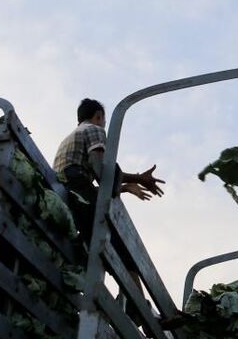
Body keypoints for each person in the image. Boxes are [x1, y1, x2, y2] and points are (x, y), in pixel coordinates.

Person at [54, 98, 165, 242]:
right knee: (106, 224)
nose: (104, 124)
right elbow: (101, 168)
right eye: (104, 121)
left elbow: (93, 184)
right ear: (98, 116)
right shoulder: (95, 129)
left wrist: (126, 186)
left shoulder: (75, 134)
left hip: (65, 184)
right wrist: (125, 183)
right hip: (74, 180)